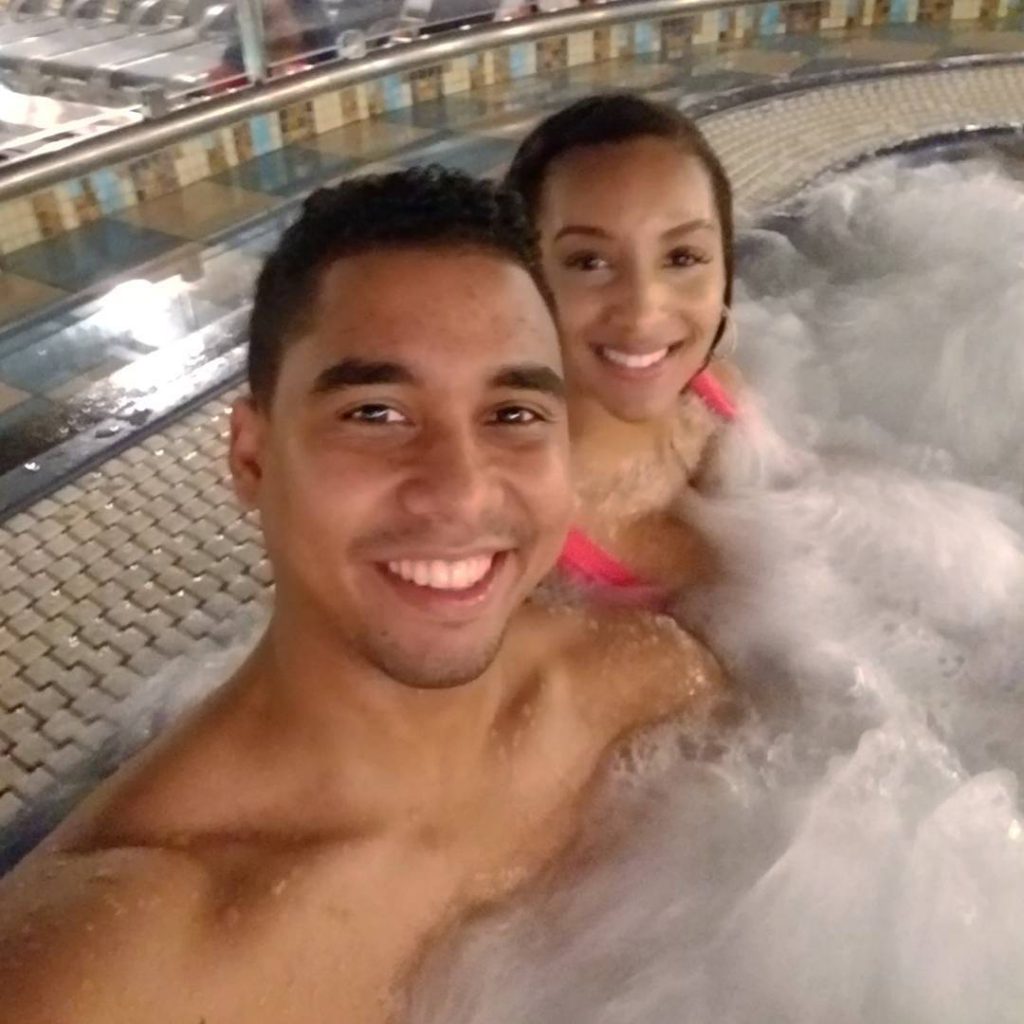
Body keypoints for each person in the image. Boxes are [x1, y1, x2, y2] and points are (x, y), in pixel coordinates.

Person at [0, 167, 722, 1024]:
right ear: (252, 458)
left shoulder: (643, 689)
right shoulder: (112, 969)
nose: (461, 492)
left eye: (513, 414)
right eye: (376, 413)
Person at [505, 93, 742, 608]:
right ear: (524, 280)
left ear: (725, 265)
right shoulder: (520, 535)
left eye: (683, 257)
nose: (642, 312)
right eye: (589, 262)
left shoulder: (715, 397)